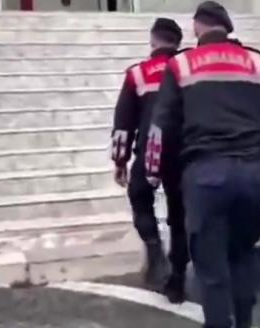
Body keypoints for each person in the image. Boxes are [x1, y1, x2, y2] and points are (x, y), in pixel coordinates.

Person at [145, 0, 260, 328]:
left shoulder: (181, 65)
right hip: (252, 171)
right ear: (227, 27)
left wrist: (152, 170)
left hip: (205, 172)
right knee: (242, 255)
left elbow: (161, 124)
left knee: (210, 268)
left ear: (198, 26)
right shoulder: (258, 62)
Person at [110, 17, 189, 303]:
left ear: (153, 41)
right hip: (184, 153)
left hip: (149, 152)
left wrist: (120, 161)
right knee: (180, 215)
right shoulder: (187, 69)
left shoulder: (138, 74)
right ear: (178, 43)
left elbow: (123, 124)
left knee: (140, 197)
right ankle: (177, 277)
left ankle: (155, 249)